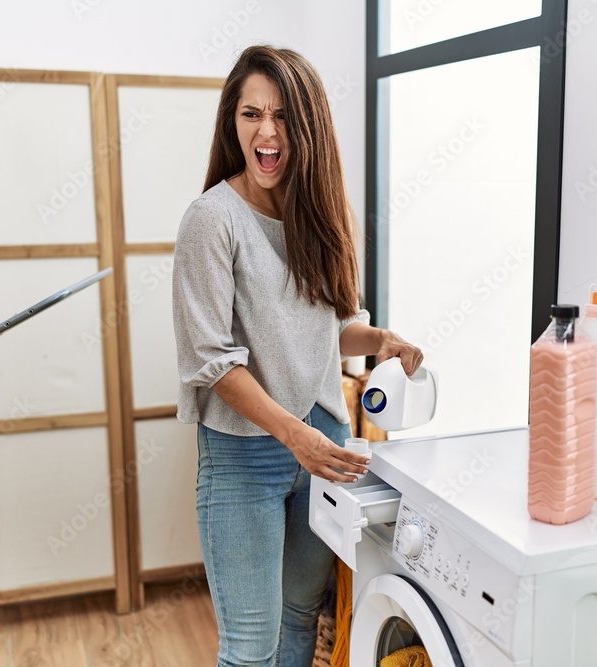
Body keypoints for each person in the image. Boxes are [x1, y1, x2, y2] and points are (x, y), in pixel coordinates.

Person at [172, 45, 423, 667]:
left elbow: (329, 329)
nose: (266, 131)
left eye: (282, 116)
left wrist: (382, 340)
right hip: (245, 455)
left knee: (297, 625)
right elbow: (214, 362)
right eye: (251, 113)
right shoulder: (213, 219)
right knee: (252, 648)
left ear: (306, 127)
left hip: (325, 447)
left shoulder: (319, 215)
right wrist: (295, 437)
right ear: (233, 122)